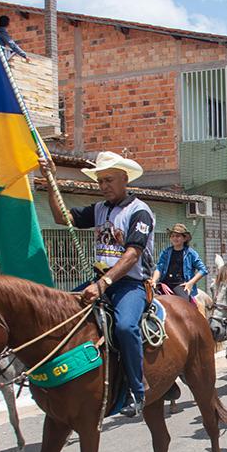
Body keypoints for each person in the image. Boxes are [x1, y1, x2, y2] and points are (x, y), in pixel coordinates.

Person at [49, 151, 153, 418]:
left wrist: (104, 282)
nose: (104, 186)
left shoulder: (139, 211)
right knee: (58, 313)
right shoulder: (98, 210)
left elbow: (132, 255)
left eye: (109, 180)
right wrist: (50, 179)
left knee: (125, 327)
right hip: (99, 281)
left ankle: (137, 390)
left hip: (129, 285)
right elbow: (62, 218)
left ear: (124, 178)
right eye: (100, 181)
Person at [152, 223, 207, 301]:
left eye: (178, 236)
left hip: (180, 285)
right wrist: (154, 280)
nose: (174, 238)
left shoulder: (191, 253)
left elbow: (203, 270)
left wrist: (190, 283)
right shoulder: (166, 252)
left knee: (184, 305)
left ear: (184, 239)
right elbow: (159, 268)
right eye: (172, 236)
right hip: (164, 283)